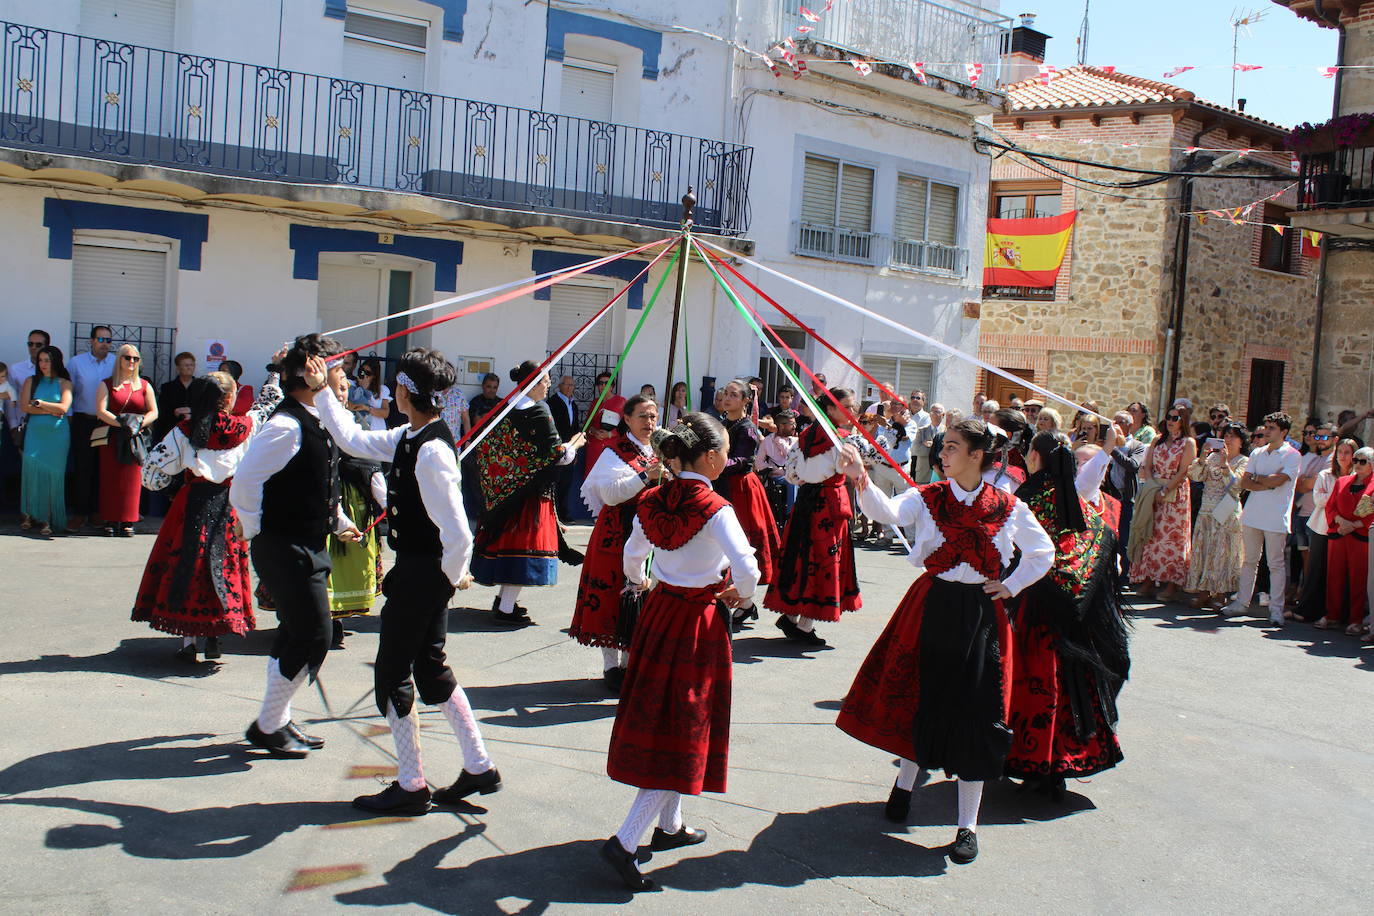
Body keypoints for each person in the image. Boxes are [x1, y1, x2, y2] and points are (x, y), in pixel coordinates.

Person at [835, 418, 1054, 864]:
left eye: (952, 446)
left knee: (977, 714)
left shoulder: (1009, 506)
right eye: (943, 446)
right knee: (921, 699)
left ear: (977, 454)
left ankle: (967, 825)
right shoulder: (928, 496)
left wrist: (1011, 586)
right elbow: (886, 512)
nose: (943, 454)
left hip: (981, 616)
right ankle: (903, 786)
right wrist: (860, 475)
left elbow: (1043, 552)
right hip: (931, 605)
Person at [304, 347, 501, 814]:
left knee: (393, 673)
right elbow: (353, 439)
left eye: (396, 384)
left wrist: (450, 577)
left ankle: (411, 784)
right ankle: (478, 765)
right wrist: (323, 391)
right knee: (430, 668)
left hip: (422, 574)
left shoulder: (431, 450)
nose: (392, 390)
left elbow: (459, 531)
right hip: (420, 571)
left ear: (406, 393)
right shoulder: (409, 435)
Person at [600, 413, 760, 892]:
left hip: (659, 614)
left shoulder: (651, 499)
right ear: (709, 458)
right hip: (697, 622)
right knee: (685, 727)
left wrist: (641, 582)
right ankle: (625, 841)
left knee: (667, 720)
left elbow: (632, 555)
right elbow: (747, 565)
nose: (727, 458)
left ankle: (670, 825)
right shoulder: (716, 507)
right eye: (725, 451)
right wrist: (742, 594)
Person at [230, 333, 359, 758]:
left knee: (295, 632)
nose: (341, 377)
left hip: (307, 542)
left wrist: (339, 521)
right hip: (284, 545)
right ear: (310, 374)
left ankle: (276, 720)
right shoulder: (286, 425)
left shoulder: (317, 418)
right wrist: (252, 528)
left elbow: (315, 483)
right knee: (315, 635)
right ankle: (268, 724)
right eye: (332, 368)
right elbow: (245, 481)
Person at [1005, 431, 1129, 797]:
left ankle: (1036, 762)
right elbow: (1098, 542)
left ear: (1036, 457)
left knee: (1037, 680)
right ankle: (1060, 764)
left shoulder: (1029, 497)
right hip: (1076, 613)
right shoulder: (1076, 500)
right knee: (1071, 682)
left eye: (1029, 451)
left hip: (1036, 607)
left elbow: (1010, 546)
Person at [133, 366, 284, 662]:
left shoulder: (184, 431)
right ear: (227, 399)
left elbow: (151, 473)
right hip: (229, 504)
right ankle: (214, 636)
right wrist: (275, 371)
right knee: (223, 565)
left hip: (191, 503)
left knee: (189, 566)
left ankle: (189, 642)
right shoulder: (245, 426)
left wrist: (171, 484)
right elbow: (268, 404)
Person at [470, 361, 585, 624]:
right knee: (521, 550)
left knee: (508, 548)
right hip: (530, 495)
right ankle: (505, 609)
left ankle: (505, 601)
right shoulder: (538, 411)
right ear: (533, 384)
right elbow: (556, 455)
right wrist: (575, 444)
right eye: (545, 381)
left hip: (506, 493)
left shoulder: (505, 408)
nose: (548, 385)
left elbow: (493, 449)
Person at [570, 395, 664, 692]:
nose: (649, 422)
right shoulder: (614, 451)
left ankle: (630, 663)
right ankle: (611, 666)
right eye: (643, 416)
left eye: (653, 416)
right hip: (618, 532)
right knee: (613, 595)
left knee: (642, 596)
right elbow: (610, 495)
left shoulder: (658, 450)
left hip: (650, 530)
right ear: (627, 419)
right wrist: (645, 477)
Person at [765, 387, 862, 645]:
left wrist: (809, 480)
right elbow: (855, 470)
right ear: (829, 409)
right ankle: (804, 624)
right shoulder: (842, 439)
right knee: (824, 561)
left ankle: (792, 616)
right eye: (847, 407)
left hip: (806, 501)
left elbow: (791, 474)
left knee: (802, 557)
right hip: (828, 505)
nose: (852, 412)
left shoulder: (806, 434)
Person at [1221, 413, 1302, 625]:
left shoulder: (1292, 455)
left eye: (1272, 428)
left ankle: (1276, 611)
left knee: (1275, 564)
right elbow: (1246, 483)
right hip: (1253, 514)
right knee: (1249, 561)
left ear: (1284, 432)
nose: (1267, 431)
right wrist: (1266, 482)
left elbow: (1279, 480)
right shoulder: (1257, 452)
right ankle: (1242, 603)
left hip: (1276, 517)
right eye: (1266, 427)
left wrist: (1261, 480)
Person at [715, 379, 781, 607]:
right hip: (721, 483)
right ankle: (740, 601)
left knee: (740, 541)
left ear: (745, 400)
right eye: (726, 393)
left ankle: (744, 599)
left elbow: (742, 460)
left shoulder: (748, 428)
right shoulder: (721, 423)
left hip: (741, 488)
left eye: (733, 394)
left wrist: (713, 464)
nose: (727, 398)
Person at [1131, 404, 1197, 602]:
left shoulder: (1188, 443)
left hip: (1175, 494)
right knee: (1151, 534)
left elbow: (1184, 470)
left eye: (1175, 418)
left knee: (1173, 538)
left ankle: (1171, 584)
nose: (1170, 421)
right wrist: (1153, 487)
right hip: (1154, 490)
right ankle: (1149, 578)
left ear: (1183, 421)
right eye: (1169, 416)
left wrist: (1166, 489)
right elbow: (1148, 466)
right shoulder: (1157, 440)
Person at [93, 345, 158, 537]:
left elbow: (154, 411)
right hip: (113, 437)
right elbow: (101, 410)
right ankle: (110, 520)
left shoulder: (144, 385)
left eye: (135, 358)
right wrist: (122, 425)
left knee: (132, 480)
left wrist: (137, 425)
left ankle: (129, 520)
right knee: (110, 479)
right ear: (119, 359)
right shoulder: (107, 384)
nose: (131, 361)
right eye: (127, 357)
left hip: (135, 440)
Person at [1184, 424, 1250, 610]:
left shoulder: (1244, 461)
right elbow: (1195, 476)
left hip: (1227, 511)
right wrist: (1202, 457)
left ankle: (1221, 594)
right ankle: (1203, 592)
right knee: (1205, 550)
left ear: (1241, 441)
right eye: (1226, 435)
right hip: (1207, 510)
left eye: (1233, 436)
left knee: (1223, 552)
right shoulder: (1212, 457)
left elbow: (1237, 485)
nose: (1228, 439)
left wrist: (1225, 464)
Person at [1294, 437, 1356, 621]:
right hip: (1322, 527)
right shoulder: (1325, 475)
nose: (1343, 456)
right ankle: (1308, 610)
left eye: (1347, 453)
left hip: (1346, 528)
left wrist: (1335, 497)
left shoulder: (1357, 477)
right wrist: (1343, 495)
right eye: (1340, 452)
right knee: (1316, 570)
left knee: (1341, 573)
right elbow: (1319, 500)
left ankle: (1339, 613)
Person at [1316, 446, 1373, 636]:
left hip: (1361, 536)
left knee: (1359, 578)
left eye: (1363, 461)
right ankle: (1332, 615)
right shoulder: (1342, 481)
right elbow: (1330, 506)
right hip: (1339, 533)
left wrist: (1355, 524)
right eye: (1355, 460)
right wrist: (1341, 521)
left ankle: (1356, 620)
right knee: (1334, 576)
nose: (1357, 464)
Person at [66, 326, 116, 530]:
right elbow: (68, 390)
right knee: (83, 468)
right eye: (101, 339)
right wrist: (69, 417)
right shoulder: (76, 363)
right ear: (91, 341)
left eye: (108, 340)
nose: (105, 344)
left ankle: (97, 512)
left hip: (106, 422)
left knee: (102, 467)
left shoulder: (116, 363)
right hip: (83, 421)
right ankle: (79, 513)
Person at [19, 345, 72, 536]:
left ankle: (47, 518)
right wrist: (50, 410)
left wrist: (40, 404)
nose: (43, 364)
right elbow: (25, 407)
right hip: (35, 434)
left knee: (53, 476)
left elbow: (64, 408)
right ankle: (29, 515)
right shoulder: (31, 381)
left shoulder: (65, 383)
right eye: (41, 360)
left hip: (57, 436)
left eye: (47, 360)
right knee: (32, 472)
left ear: (56, 361)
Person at [1291, 422, 1334, 607]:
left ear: (1335, 439)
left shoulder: (1332, 460)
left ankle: (1311, 600)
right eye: (1318, 436)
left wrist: (1307, 482)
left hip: (1318, 516)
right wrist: (1307, 482)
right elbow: (1300, 485)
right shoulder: (1315, 459)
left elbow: (1308, 484)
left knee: (1316, 561)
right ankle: (1305, 596)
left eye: (1324, 437)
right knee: (1305, 558)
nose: (1320, 440)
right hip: (1303, 513)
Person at [755, 408, 798, 527]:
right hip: (777, 477)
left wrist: (781, 443)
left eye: (795, 424)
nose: (794, 427)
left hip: (795, 474)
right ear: (782, 426)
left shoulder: (796, 441)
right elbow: (758, 463)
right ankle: (791, 516)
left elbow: (794, 457)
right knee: (792, 482)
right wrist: (773, 469)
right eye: (791, 424)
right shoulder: (768, 441)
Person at [547, 375, 581, 520]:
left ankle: (563, 513)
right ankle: (552, 514)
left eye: (572, 385)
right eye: (567, 384)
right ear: (560, 385)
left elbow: (575, 428)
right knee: (555, 482)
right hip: (557, 449)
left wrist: (576, 451)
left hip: (570, 449)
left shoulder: (573, 405)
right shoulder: (552, 402)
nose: (569, 388)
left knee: (566, 482)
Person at [583, 370, 627, 473]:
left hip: (611, 447)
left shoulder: (621, 401)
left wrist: (610, 434)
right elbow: (587, 424)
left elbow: (626, 424)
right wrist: (593, 431)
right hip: (594, 447)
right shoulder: (595, 402)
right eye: (600, 383)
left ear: (612, 386)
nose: (603, 385)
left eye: (607, 383)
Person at [5, 329, 47, 435]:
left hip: (49, 424)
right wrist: (13, 426)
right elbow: (10, 400)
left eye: (38, 345)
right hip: (23, 424)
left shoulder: (55, 371)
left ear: (46, 346)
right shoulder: (15, 369)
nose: (33, 347)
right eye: (30, 344)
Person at [348, 358, 391, 432]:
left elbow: (385, 413)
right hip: (359, 428)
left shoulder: (382, 390)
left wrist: (366, 408)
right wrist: (362, 387)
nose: (365, 376)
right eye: (362, 371)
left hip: (377, 429)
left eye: (368, 373)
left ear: (374, 376)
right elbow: (349, 405)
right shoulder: (351, 385)